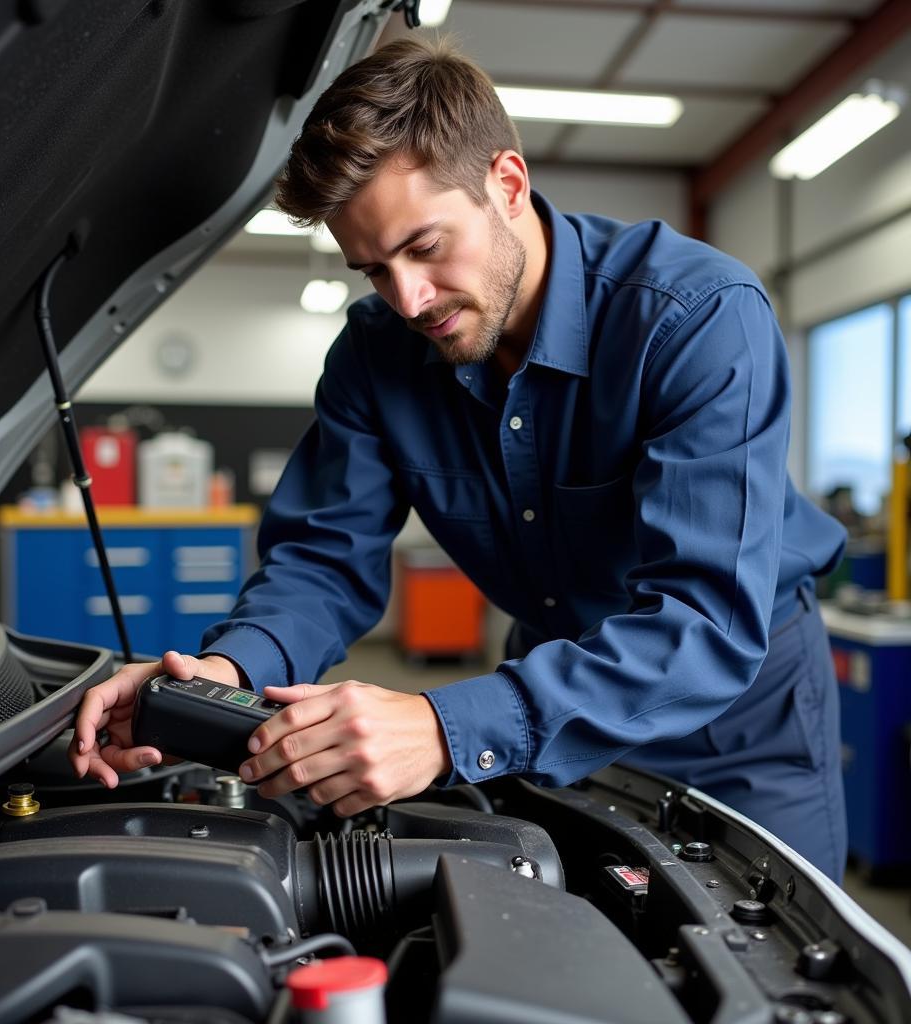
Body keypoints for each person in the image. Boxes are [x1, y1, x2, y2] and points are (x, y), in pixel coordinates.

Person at [70, 37, 848, 881]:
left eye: (426, 246)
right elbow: (323, 563)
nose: (409, 299)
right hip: (553, 699)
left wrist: (446, 728)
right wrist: (224, 673)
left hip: (739, 723)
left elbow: (703, 622)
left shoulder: (696, 318)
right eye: (373, 270)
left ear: (507, 185)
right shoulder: (376, 351)